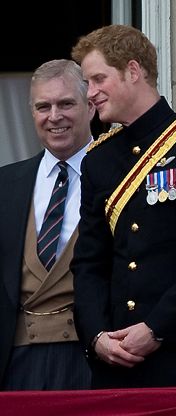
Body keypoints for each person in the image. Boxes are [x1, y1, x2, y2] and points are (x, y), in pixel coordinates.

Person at [70, 24, 176, 388]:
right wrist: (97, 336)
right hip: (116, 364)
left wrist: (157, 328)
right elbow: (89, 263)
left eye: (98, 79)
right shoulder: (99, 160)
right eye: (88, 83)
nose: (91, 93)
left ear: (133, 70)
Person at [0, 59, 94, 390]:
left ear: (91, 106)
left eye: (66, 103)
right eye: (43, 106)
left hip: (92, 360)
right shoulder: (6, 183)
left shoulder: (120, 176)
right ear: (32, 112)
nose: (54, 116)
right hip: (15, 366)